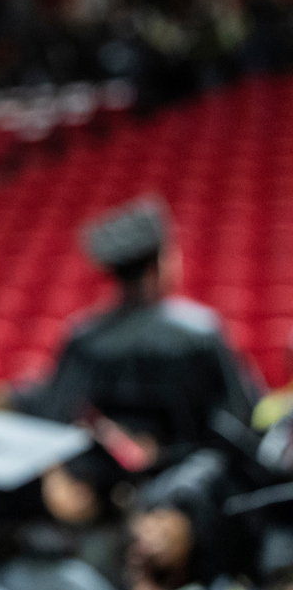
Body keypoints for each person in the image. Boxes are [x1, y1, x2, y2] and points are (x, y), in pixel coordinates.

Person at [14, 196, 258, 461]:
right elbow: (241, 415)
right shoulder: (201, 333)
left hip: (103, 479)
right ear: (158, 263)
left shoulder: (84, 338)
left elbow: (53, 413)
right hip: (189, 475)